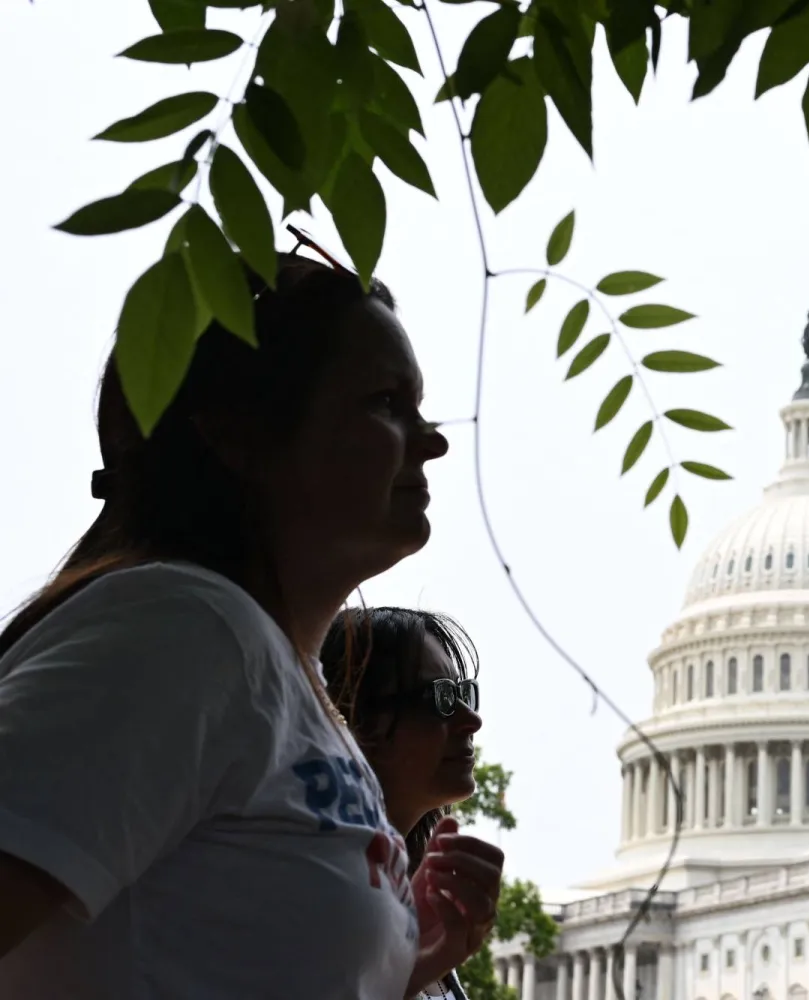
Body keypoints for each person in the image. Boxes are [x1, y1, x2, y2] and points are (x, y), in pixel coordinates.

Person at [0, 248, 504, 998]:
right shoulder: (183, 634)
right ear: (239, 437)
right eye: (384, 404)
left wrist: (401, 964)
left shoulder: (276, 675)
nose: (432, 439)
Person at [321, 607, 490, 1000]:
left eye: (463, 694)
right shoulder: (315, 891)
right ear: (354, 717)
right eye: (439, 698)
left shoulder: (418, 907)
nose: (472, 721)